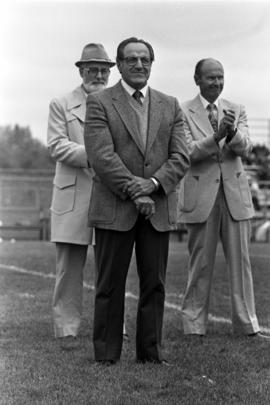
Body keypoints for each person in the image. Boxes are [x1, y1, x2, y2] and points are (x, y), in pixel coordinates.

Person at [84, 37, 190, 365]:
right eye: (132, 59)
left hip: (156, 207)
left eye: (145, 59)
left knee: (155, 285)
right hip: (115, 206)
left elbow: (180, 156)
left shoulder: (170, 104)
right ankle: (106, 353)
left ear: (152, 64)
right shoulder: (100, 102)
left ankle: (150, 353)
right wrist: (136, 191)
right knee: (110, 285)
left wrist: (154, 185)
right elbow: (101, 156)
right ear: (120, 64)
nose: (139, 65)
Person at [179, 58, 269, 340]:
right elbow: (187, 153)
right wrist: (215, 136)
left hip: (234, 196)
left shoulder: (236, 110)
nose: (216, 82)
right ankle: (194, 324)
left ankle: (246, 323)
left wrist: (230, 133)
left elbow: (246, 148)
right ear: (197, 79)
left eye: (220, 77)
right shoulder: (181, 111)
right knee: (200, 263)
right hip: (200, 196)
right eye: (210, 78)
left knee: (240, 264)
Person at [47, 43, 121, 347]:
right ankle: (66, 327)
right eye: (93, 69)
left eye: (104, 69)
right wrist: (95, 156)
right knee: (69, 268)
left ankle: (115, 326)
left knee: (112, 266)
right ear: (81, 70)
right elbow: (56, 146)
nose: (99, 74)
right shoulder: (61, 103)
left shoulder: (119, 104)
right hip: (72, 196)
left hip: (109, 194)